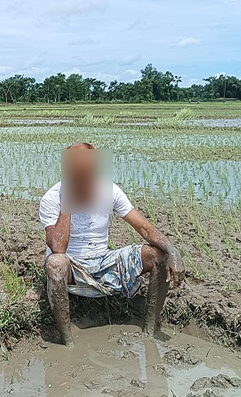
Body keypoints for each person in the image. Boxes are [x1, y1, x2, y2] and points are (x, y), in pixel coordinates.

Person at [39, 142, 185, 346]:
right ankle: (68, 342)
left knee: (158, 255)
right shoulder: (53, 198)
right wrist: (69, 202)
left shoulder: (109, 191)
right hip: (72, 267)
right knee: (55, 263)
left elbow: (143, 228)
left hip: (103, 261)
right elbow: (58, 248)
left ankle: (150, 331)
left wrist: (173, 250)